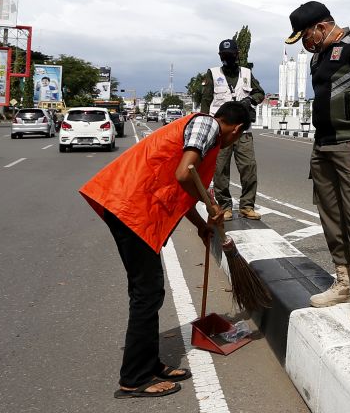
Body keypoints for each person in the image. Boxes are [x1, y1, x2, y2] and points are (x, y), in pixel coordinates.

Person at [79, 101, 252, 399]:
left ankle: (150, 363)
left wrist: (200, 223)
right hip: (130, 207)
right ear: (236, 129)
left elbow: (181, 189)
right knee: (146, 294)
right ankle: (135, 378)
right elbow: (184, 174)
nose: (234, 142)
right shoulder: (207, 126)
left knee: (150, 292)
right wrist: (211, 206)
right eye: (238, 137)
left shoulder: (206, 140)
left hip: (136, 210)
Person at [285, 1, 350, 323]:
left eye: (306, 36)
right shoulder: (318, 57)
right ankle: (344, 282)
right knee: (330, 215)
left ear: (321, 26)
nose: (305, 44)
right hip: (324, 147)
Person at [200, 39, 265, 220]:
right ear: (220, 56)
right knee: (220, 170)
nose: (227, 58)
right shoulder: (213, 74)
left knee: (249, 168)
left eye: (231, 55)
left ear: (237, 55)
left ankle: (246, 206)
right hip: (220, 132)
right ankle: (225, 206)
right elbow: (205, 102)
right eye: (224, 55)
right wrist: (204, 126)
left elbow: (260, 93)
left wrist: (250, 100)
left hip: (242, 131)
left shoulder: (246, 73)